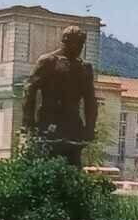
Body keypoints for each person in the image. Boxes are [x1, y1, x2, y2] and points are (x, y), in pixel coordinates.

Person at [21, 25, 97, 167]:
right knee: (46, 164)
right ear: (66, 42)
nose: (80, 47)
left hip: (73, 125)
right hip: (49, 122)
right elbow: (29, 90)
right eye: (78, 43)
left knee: (73, 167)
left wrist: (90, 128)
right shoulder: (48, 61)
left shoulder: (85, 67)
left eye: (82, 44)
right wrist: (28, 123)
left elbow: (90, 100)